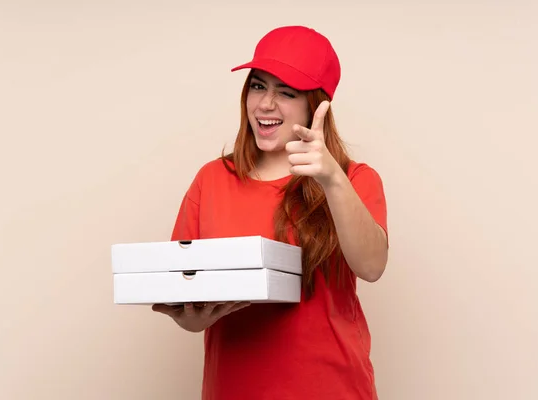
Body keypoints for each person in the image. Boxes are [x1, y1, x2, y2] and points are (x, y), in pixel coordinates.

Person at [152, 25, 389, 400]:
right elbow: (184, 287)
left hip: (332, 390)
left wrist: (331, 179)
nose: (265, 104)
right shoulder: (212, 179)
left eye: (286, 92)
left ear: (316, 105)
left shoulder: (354, 179)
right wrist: (193, 319)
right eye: (258, 86)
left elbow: (372, 266)